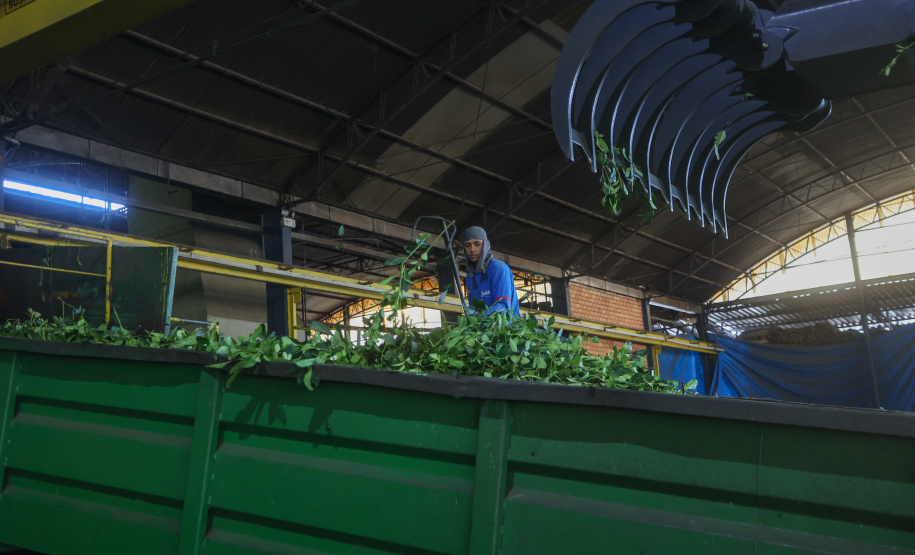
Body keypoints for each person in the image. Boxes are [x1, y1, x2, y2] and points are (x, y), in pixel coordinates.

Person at [462, 226, 520, 317]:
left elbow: (503, 306)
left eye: (477, 244)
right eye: (468, 245)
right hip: (483, 329)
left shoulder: (499, 270)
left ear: (485, 245)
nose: (472, 249)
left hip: (506, 328)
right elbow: (473, 309)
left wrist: (481, 318)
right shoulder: (470, 277)